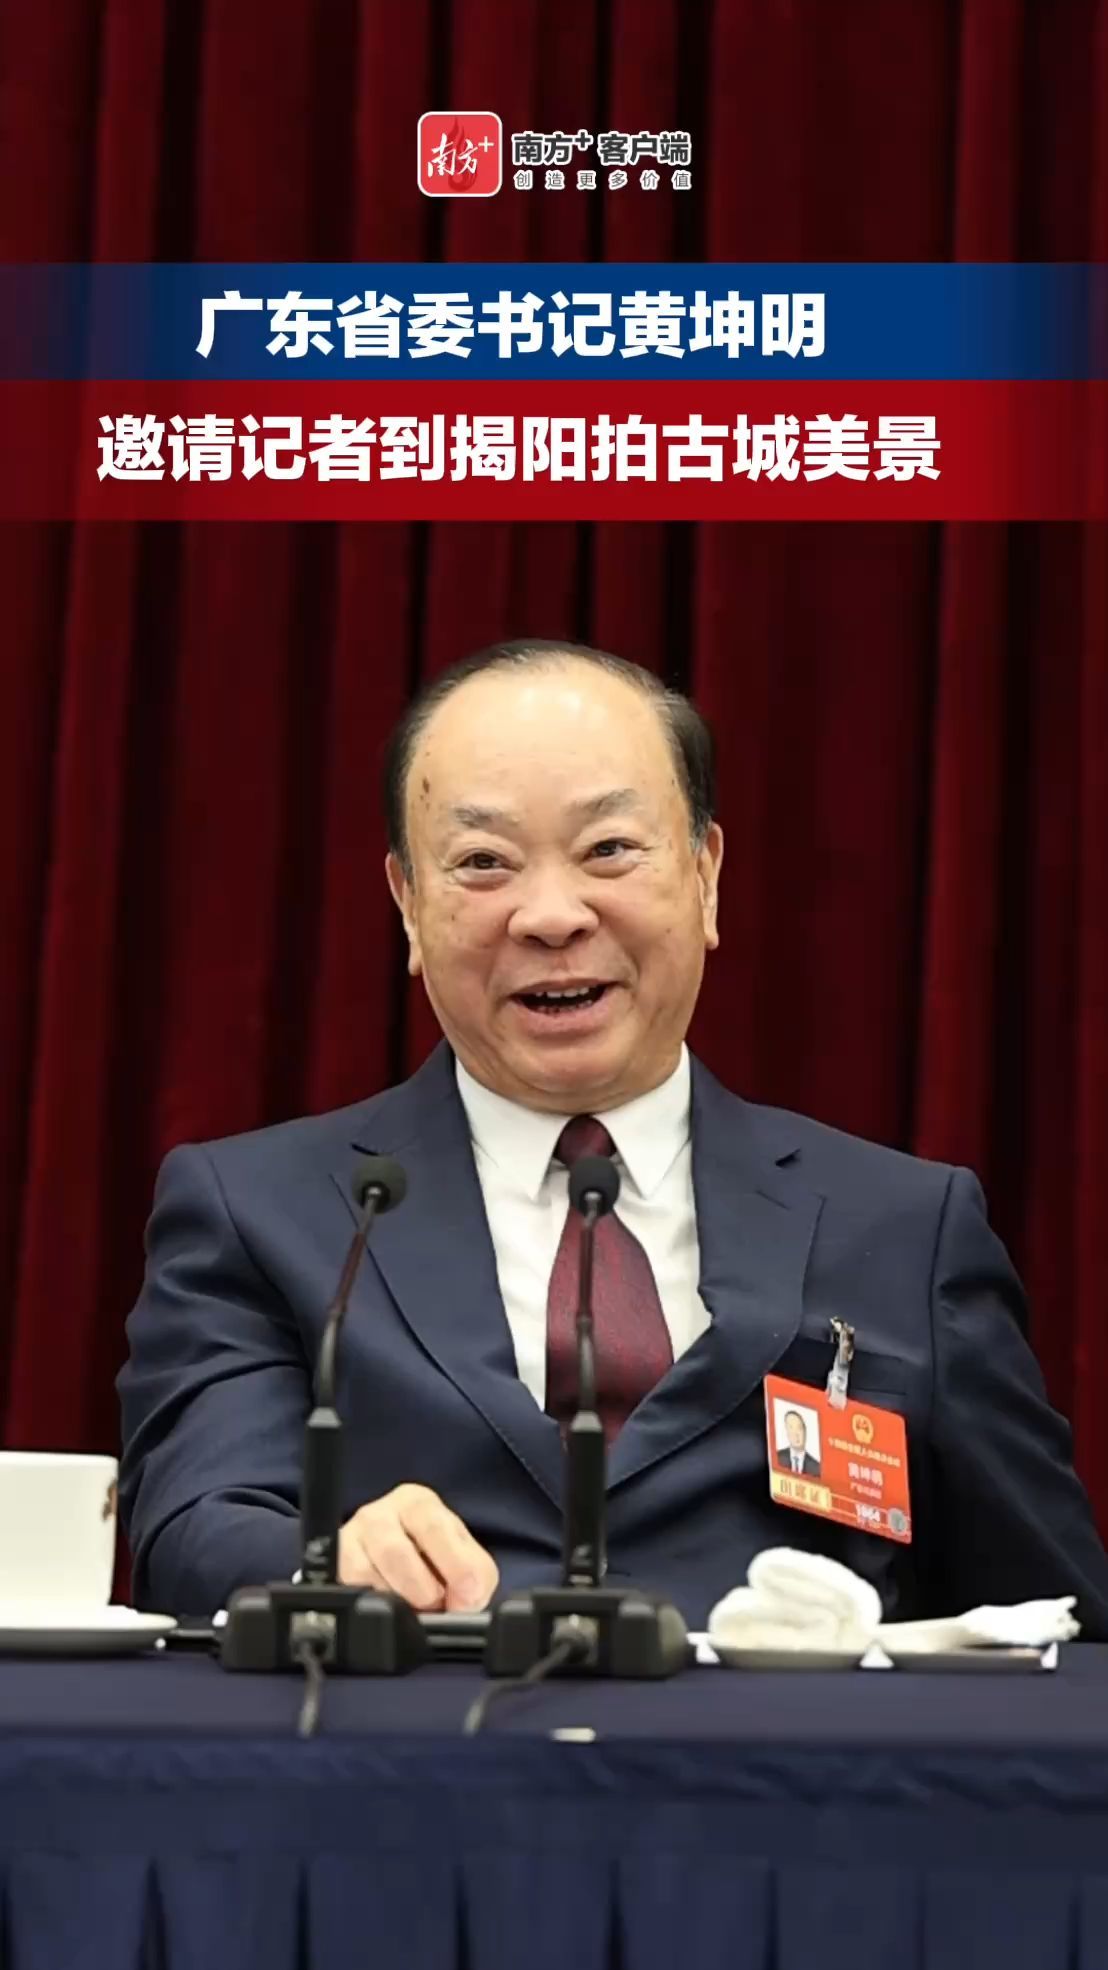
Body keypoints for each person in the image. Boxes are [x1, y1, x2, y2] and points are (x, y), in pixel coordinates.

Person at [117, 639, 1108, 1632]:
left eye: (608, 850)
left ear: (705, 876)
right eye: (482, 863)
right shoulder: (262, 1213)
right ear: (408, 907)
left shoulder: (904, 1228)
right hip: (419, 1723)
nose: (551, 916)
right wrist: (329, 1563)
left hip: (790, 1733)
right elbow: (194, 1531)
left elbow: (1058, 1615)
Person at [777, 1410, 821, 1481]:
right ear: (786, 1431)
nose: (796, 1434)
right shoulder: (777, 1457)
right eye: (791, 1428)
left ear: (805, 1431)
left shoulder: (817, 1468)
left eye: (799, 1428)